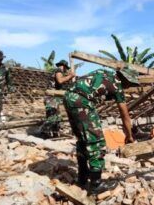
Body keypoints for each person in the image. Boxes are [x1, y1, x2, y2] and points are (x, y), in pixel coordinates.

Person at [63, 66, 137, 195]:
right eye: (130, 83)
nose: (128, 86)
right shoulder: (117, 85)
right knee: (96, 142)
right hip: (82, 101)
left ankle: (82, 178)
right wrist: (129, 136)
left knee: (82, 139)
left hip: (68, 97)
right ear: (126, 79)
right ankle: (96, 185)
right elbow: (124, 114)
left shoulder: (104, 72)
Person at [40, 60, 75, 138]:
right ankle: (44, 132)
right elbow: (60, 80)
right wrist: (70, 76)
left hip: (54, 97)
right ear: (63, 66)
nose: (66, 70)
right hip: (51, 97)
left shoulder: (57, 71)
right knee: (52, 116)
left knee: (57, 116)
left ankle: (55, 133)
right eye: (66, 69)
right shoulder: (58, 70)